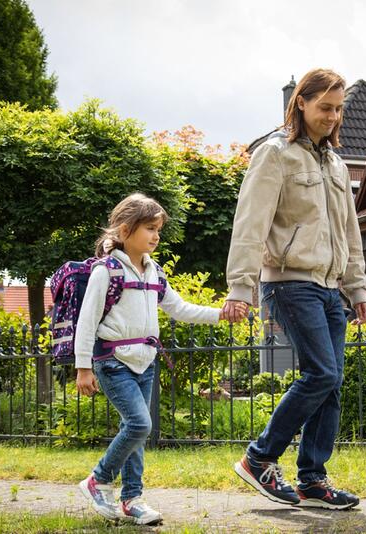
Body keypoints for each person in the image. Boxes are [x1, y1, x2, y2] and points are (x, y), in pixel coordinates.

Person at [223, 68, 366, 510]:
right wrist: (239, 287)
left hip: (330, 287)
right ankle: (260, 458)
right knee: (321, 373)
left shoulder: (337, 164)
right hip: (288, 282)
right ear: (301, 103)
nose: (333, 116)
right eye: (325, 107)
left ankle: (312, 480)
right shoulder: (275, 155)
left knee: (333, 381)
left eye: (339, 108)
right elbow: (251, 222)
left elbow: (350, 230)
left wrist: (358, 288)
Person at [75, 192, 245, 524]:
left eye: (158, 230)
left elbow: (179, 309)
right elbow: (87, 321)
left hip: (145, 361)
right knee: (140, 425)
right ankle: (98, 479)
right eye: (150, 229)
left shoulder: (154, 273)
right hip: (113, 361)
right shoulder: (106, 271)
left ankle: (131, 500)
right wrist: (83, 367)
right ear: (125, 231)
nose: (156, 236)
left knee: (135, 430)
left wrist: (220, 315)